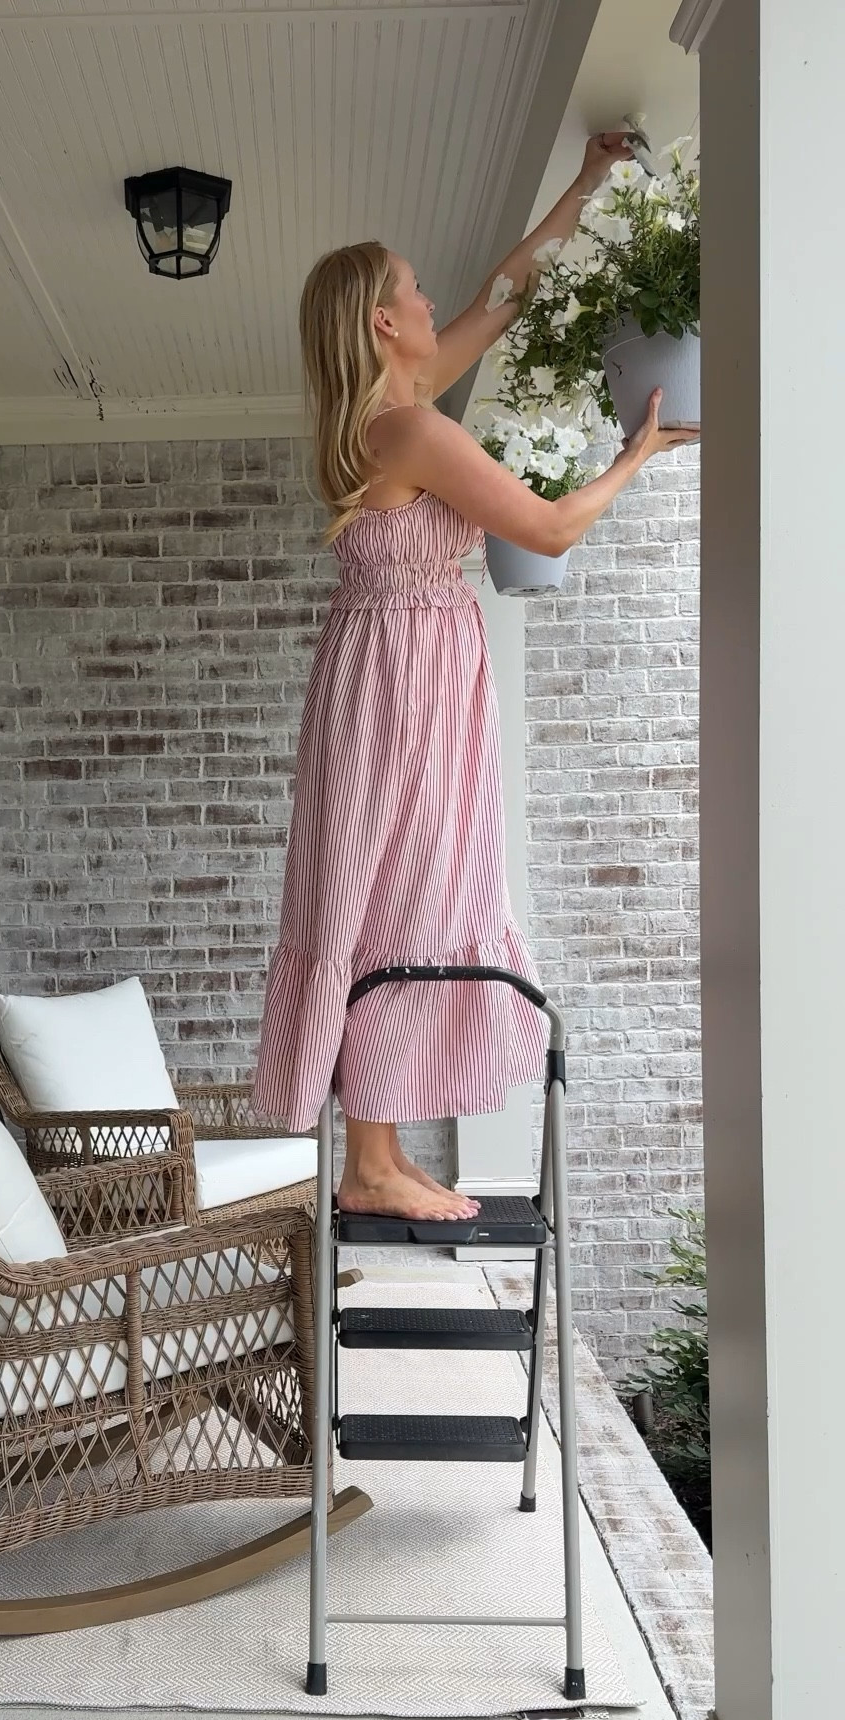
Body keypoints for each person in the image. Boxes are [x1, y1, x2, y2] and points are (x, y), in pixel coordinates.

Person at [252, 133, 700, 1222]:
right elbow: (544, 528)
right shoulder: (405, 427)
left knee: (393, 889)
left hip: (399, 678)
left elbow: (507, 285)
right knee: (402, 889)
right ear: (383, 324)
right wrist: (638, 456)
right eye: (412, 284)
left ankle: (381, 1151)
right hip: (402, 693)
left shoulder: (396, 410)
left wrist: (585, 185)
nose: (431, 290)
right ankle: (370, 1163)